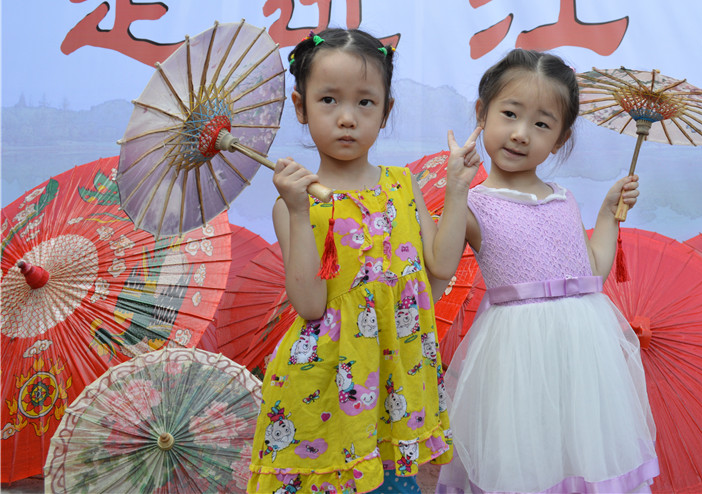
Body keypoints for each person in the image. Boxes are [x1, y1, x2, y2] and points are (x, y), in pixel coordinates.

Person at [247, 28, 481, 494]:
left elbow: (439, 266)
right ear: (301, 106)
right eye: (329, 100)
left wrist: (456, 188)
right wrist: (296, 209)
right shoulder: (295, 203)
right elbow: (311, 306)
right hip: (327, 386)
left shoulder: (402, 185)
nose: (347, 118)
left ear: (386, 111)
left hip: (397, 380)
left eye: (365, 103)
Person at [436, 49, 659, 494]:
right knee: (524, 447)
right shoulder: (477, 203)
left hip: (583, 346)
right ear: (482, 113)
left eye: (541, 124)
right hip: (517, 351)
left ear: (560, 138)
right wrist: (457, 188)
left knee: (580, 444)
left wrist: (608, 211)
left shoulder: (563, 197)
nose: (521, 134)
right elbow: (440, 267)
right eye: (510, 114)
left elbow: (592, 268)